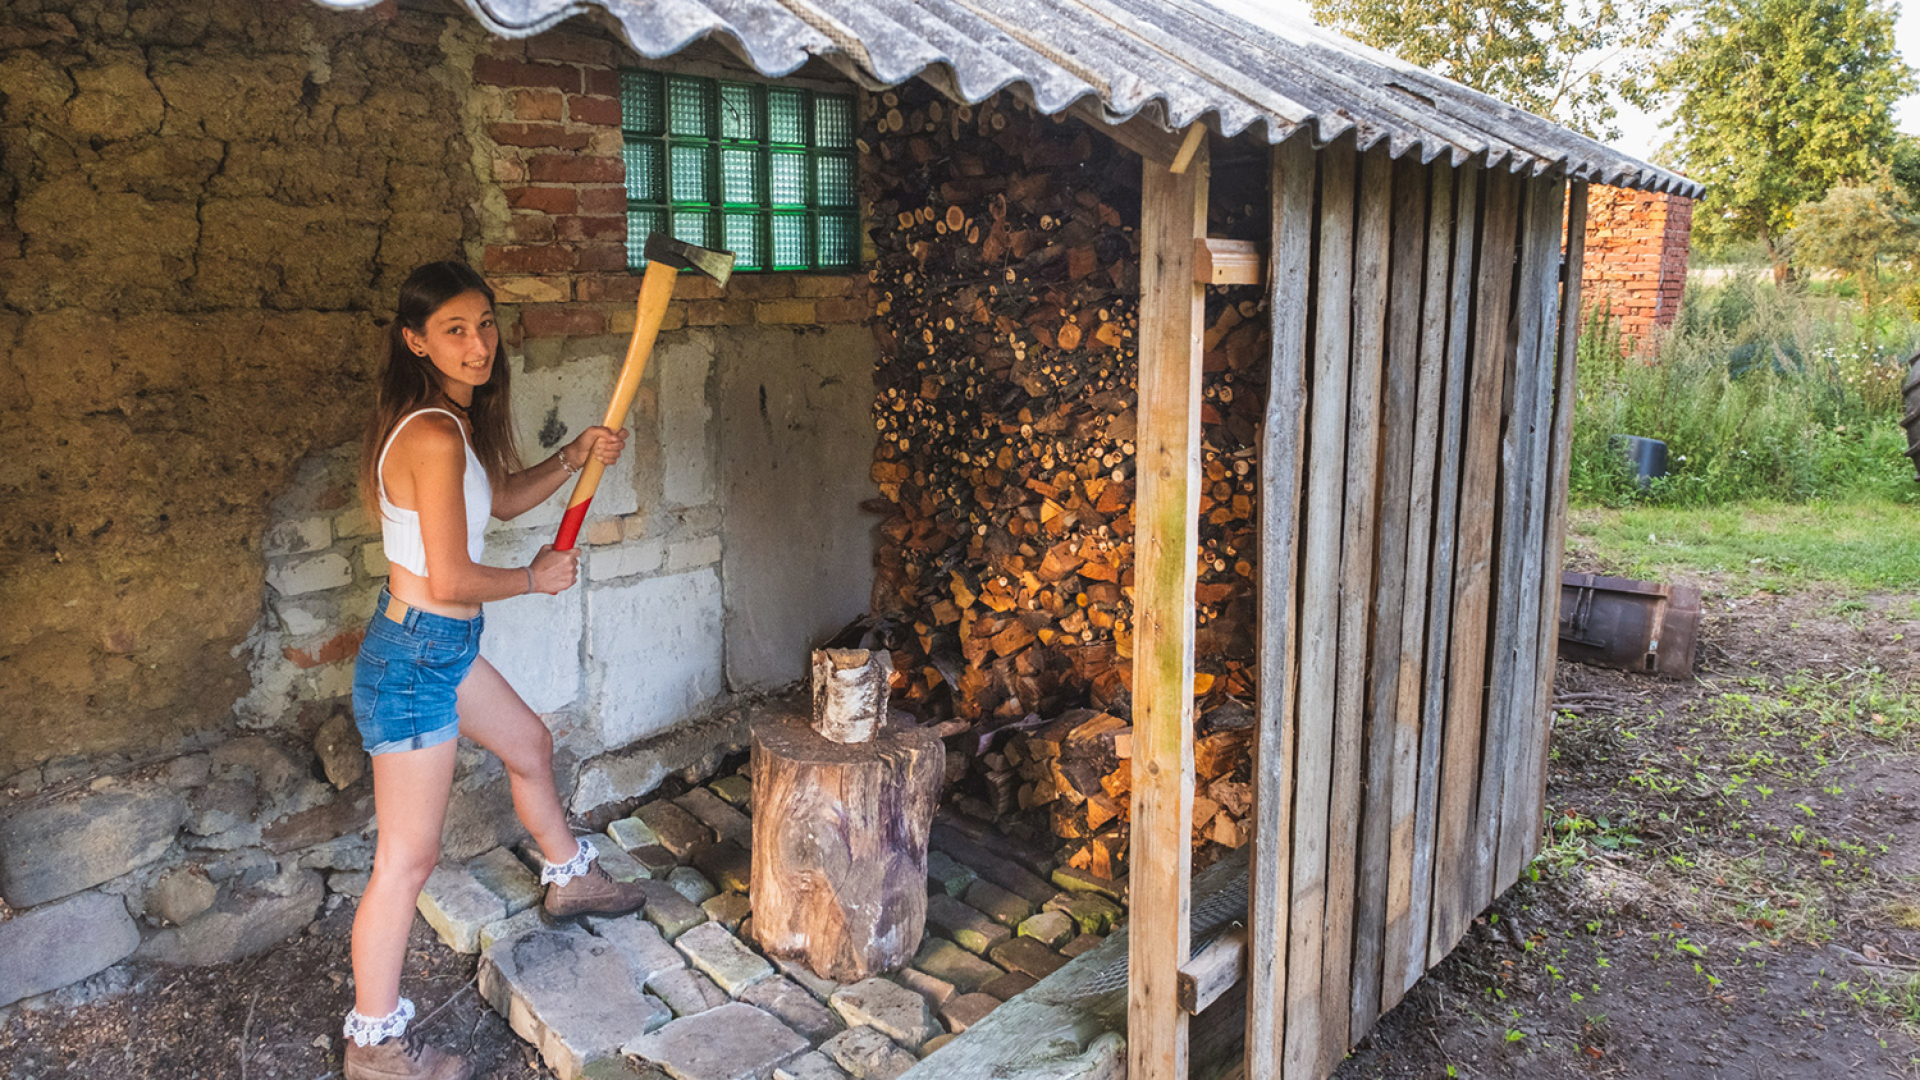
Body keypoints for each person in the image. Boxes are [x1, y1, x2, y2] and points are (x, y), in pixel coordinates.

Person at [340, 261, 644, 1080]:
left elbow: (501, 498)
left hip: (439, 649)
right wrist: (532, 579)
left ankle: (568, 879)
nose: (478, 345)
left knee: (531, 746)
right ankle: (374, 1046)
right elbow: (450, 580)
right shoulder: (432, 434)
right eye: (454, 331)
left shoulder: (447, 422)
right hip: (413, 659)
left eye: (484, 324)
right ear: (415, 341)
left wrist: (575, 456)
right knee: (407, 860)